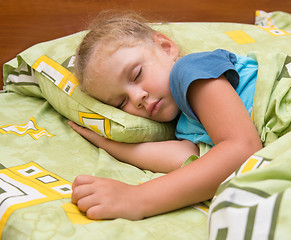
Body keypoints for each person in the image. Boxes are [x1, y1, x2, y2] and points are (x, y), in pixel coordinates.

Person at [69, 11, 263, 220]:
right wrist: (107, 143)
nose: (137, 98)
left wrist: (138, 197)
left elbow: (242, 149)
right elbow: (193, 159)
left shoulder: (191, 70)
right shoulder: (184, 123)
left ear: (165, 47)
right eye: (121, 103)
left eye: (136, 75)